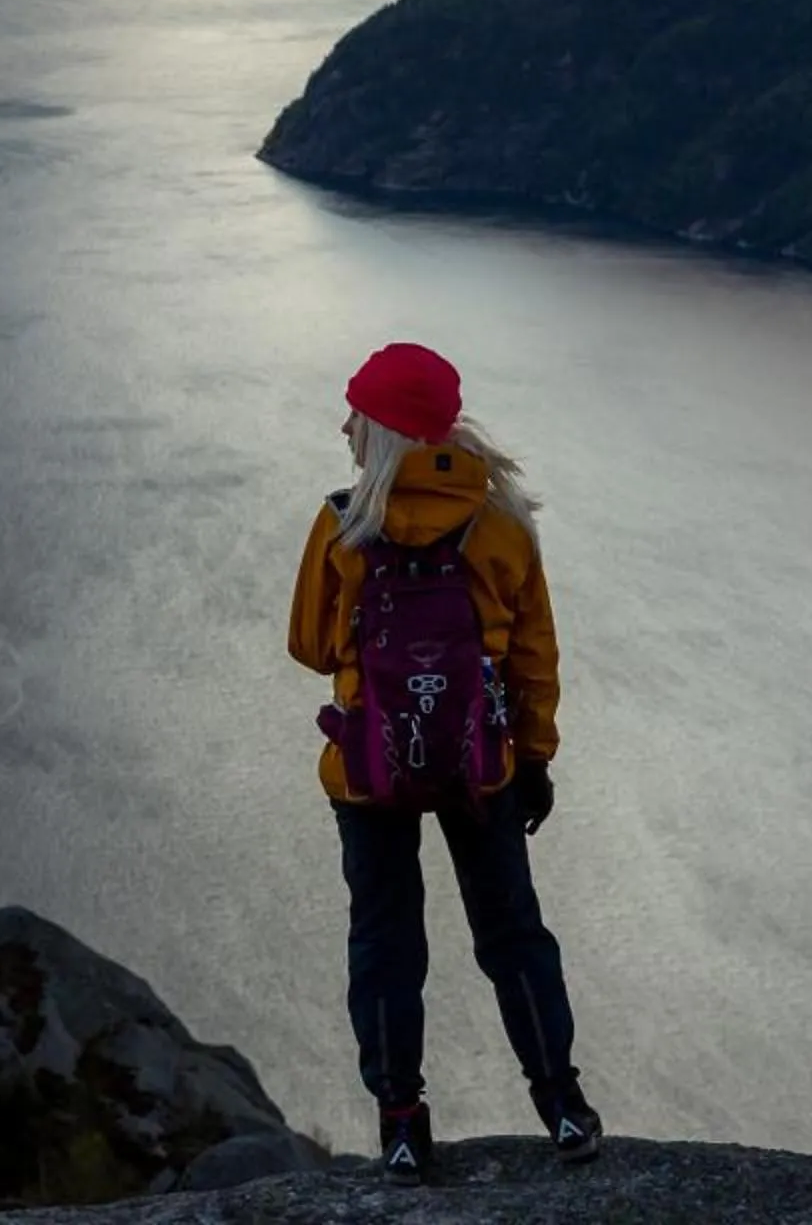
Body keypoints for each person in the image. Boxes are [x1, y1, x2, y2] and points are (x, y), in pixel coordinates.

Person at [287, 341, 602, 1185]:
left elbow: (311, 646)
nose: (344, 424)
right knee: (511, 934)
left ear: (384, 430)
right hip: (482, 764)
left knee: (386, 942)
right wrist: (534, 757)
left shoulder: (342, 523)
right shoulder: (501, 525)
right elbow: (534, 656)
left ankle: (399, 1122)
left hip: (369, 770)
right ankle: (562, 1104)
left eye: (355, 410)